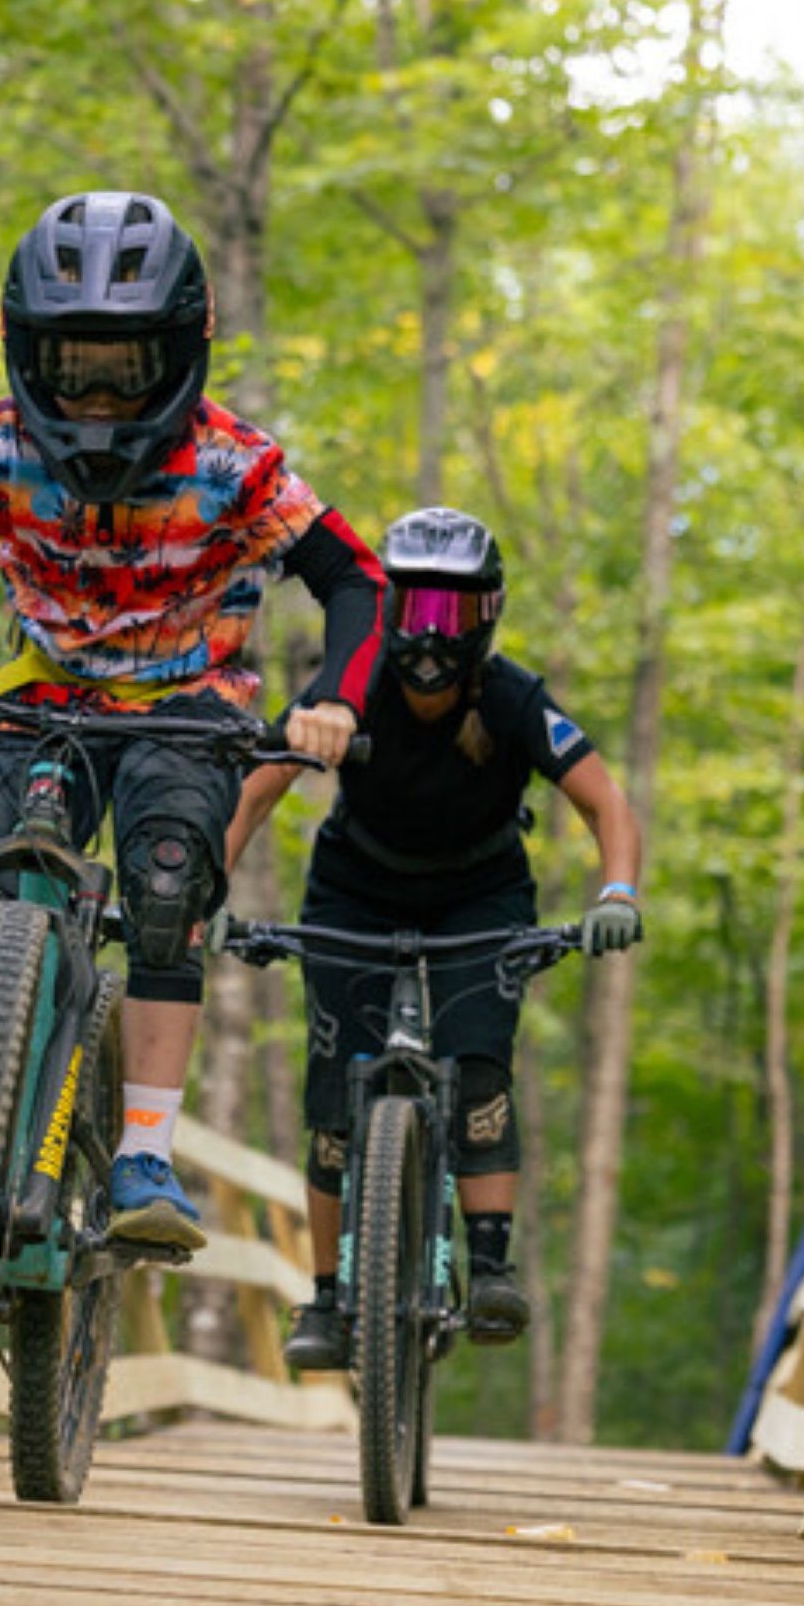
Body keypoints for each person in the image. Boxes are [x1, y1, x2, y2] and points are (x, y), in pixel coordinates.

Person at [0, 191, 385, 1303]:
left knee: (162, 879)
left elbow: (355, 578)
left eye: (125, 368)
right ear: (27, 351)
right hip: (41, 687)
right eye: (74, 365)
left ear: (178, 356)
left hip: (188, 695)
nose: (98, 397)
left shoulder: (236, 463)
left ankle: (145, 1150)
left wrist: (334, 699)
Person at [224, 506, 642, 1367]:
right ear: (383, 610)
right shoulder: (351, 683)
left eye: (450, 615)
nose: (427, 636)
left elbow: (607, 803)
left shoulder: (514, 697)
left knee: (481, 1061)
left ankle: (489, 1266)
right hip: (353, 888)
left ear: (485, 618)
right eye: (411, 609)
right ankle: (330, 1300)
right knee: (334, 1093)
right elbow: (258, 788)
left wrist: (618, 891)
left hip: (480, 896)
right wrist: (206, 888)